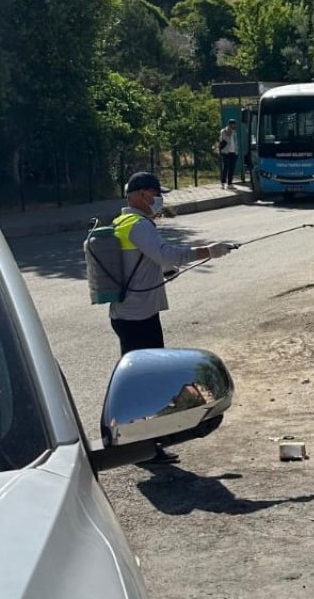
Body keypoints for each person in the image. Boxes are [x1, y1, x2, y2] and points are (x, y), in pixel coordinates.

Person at [111, 171, 232, 464]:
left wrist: (160, 271)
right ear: (140, 195)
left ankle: (142, 441)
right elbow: (166, 254)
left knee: (140, 376)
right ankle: (141, 445)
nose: (158, 199)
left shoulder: (122, 221)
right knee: (145, 379)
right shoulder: (139, 225)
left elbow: (141, 262)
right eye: (155, 193)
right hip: (138, 314)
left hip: (129, 311)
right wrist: (208, 251)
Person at [219, 119, 239, 189]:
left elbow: (235, 142)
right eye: (233, 124)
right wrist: (229, 131)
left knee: (232, 168)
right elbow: (224, 139)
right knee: (226, 167)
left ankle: (230, 183)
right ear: (229, 124)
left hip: (234, 152)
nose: (234, 126)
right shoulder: (223, 131)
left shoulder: (234, 132)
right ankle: (223, 182)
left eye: (234, 124)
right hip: (226, 152)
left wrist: (237, 151)